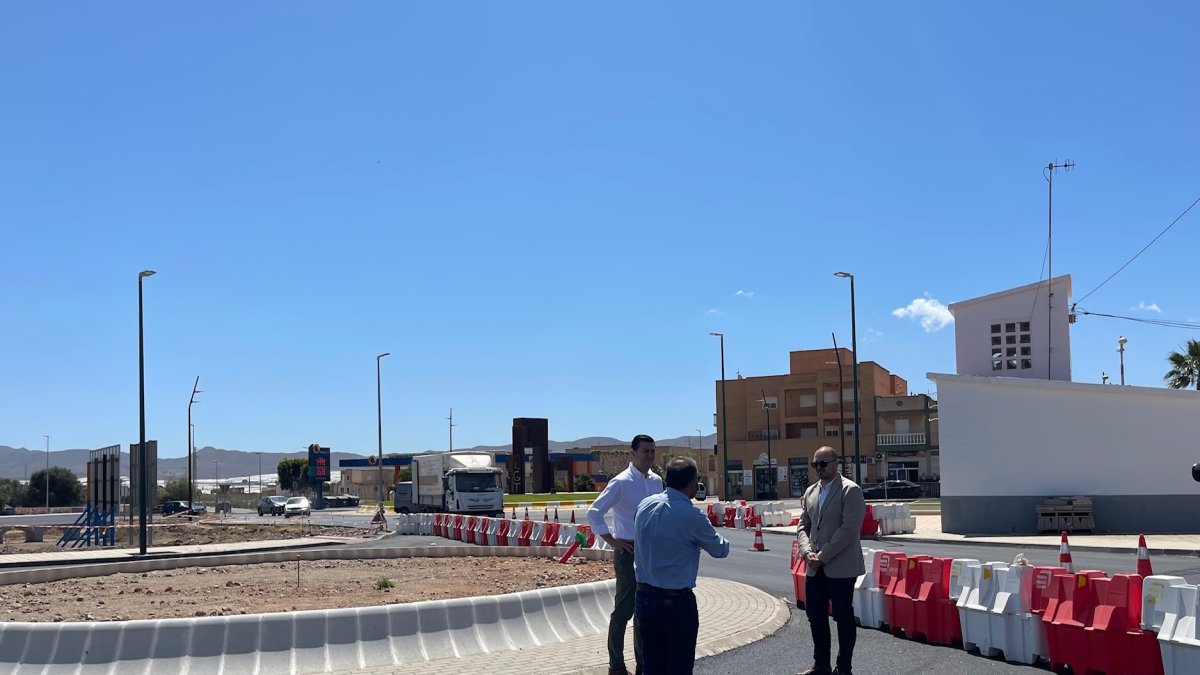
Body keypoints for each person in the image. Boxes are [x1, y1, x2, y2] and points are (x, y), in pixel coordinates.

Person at [633, 456, 730, 675]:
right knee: (679, 666)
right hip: (676, 602)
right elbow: (720, 550)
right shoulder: (691, 515)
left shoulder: (644, 505)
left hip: (644, 597)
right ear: (693, 482)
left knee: (652, 664)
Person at [587, 434, 664, 675]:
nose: (650, 456)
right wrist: (612, 540)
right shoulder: (620, 482)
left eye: (652, 451)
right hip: (628, 552)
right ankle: (616, 665)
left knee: (646, 610)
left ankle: (643, 664)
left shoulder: (657, 482)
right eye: (645, 451)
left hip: (650, 553)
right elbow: (594, 512)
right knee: (624, 610)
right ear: (633, 453)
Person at [795, 446, 866, 675]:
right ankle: (821, 665)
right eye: (815, 464)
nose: (819, 468)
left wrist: (822, 556)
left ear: (836, 463)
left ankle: (843, 668)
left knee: (843, 616)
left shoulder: (850, 491)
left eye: (823, 464)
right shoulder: (810, 492)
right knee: (815, 615)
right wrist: (807, 552)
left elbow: (848, 529)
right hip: (814, 567)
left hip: (841, 566)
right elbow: (802, 526)